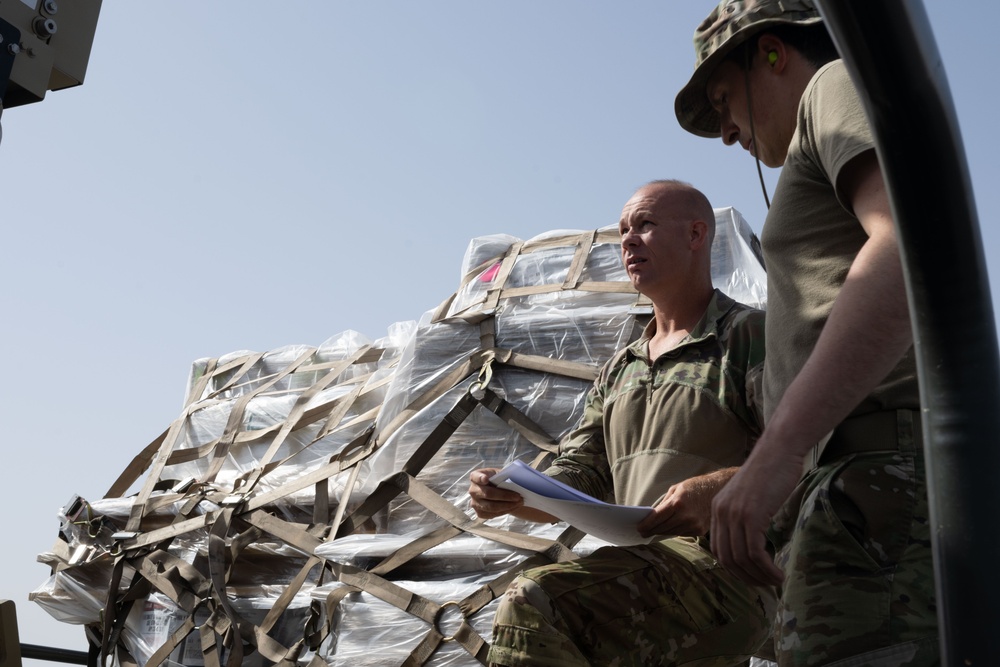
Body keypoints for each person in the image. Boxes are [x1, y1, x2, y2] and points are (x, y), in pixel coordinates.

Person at [674, 1, 938, 664]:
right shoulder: (814, 142)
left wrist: (779, 450)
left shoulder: (831, 88)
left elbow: (908, 247)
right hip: (852, 491)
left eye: (724, 98)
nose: (728, 132)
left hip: (877, 487)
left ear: (771, 53)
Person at [469, 179, 776, 666]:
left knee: (536, 602)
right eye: (623, 231)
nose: (628, 240)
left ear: (697, 235)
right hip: (645, 570)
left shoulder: (750, 337)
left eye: (646, 226)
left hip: (731, 573)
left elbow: (813, 454)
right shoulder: (620, 369)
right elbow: (585, 471)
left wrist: (721, 488)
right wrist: (518, 494)